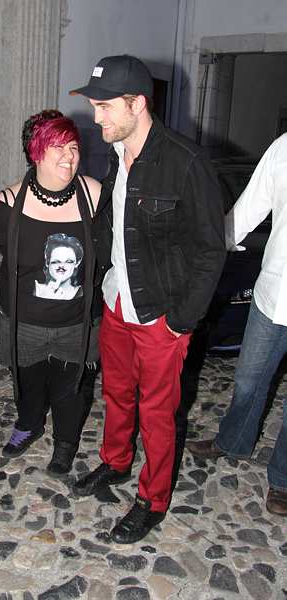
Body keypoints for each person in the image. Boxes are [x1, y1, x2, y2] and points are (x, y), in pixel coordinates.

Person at [69, 55, 226, 543]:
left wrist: (181, 320)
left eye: (104, 107)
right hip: (118, 299)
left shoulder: (187, 162)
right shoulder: (115, 154)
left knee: (158, 413)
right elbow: (114, 227)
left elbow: (210, 250)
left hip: (160, 312)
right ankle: (116, 462)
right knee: (116, 392)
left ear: (137, 103)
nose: (96, 116)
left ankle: (152, 500)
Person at [0, 110, 101, 477]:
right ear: (35, 152)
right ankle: (28, 425)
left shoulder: (94, 195)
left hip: (77, 322)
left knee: (71, 389)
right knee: (27, 385)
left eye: (73, 147)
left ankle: (65, 443)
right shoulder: (8, 204)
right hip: (23, 323)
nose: (68, 156)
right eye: (57, 147)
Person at [187, 134, 287, 517]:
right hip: (273, 292)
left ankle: (283, 479)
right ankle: (233, 441)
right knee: (248, 379)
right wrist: (211, 248)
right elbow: (249, 207)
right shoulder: (283, 148)